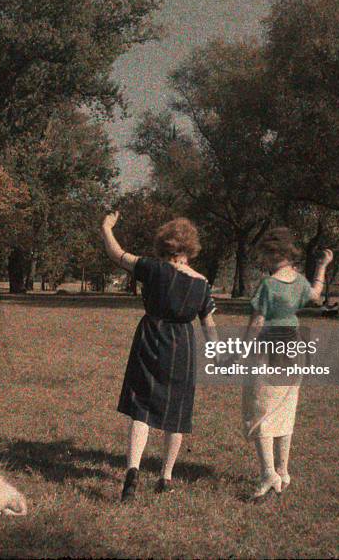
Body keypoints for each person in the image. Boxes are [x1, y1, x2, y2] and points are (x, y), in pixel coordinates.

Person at [101, 212, 217, 502]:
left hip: (150, 338)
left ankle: (132, 470)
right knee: (175, 413)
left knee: (142, 406)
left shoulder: (152, 268)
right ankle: (165, 477)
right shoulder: (202, 283)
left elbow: (116, 254)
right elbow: (209, 326)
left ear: (164, 244)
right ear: (191, 247)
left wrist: (106, 227)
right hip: (183, 346)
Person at [242, 227, 333, 502]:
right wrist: (322, 267)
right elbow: (316, 295)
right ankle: (283, 470)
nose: (263, 261)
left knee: (260, 409)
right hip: (295, 346)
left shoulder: (269, 285)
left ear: (274, 253)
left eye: (265, 255)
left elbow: (257, 321)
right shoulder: (299, 281)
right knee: (285, 407)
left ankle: (268, 473)